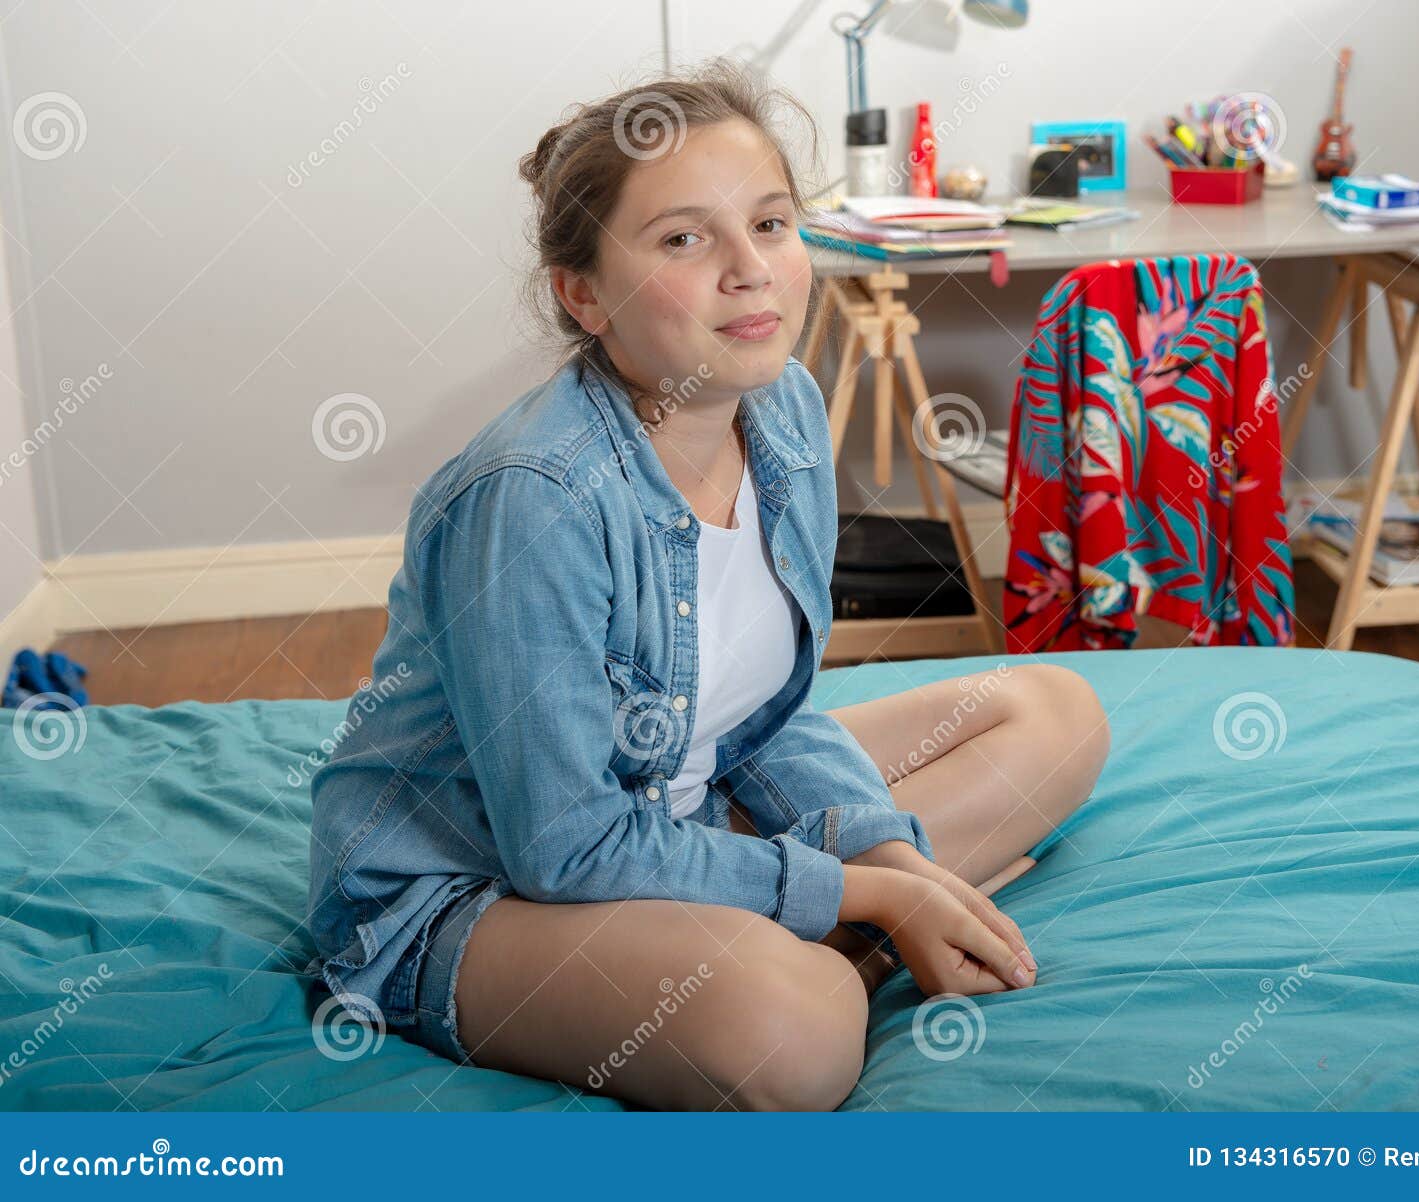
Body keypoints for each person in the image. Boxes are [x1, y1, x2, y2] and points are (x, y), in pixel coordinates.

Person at [305, 58, 1111, 1111]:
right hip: (483, 884)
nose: (751, 270)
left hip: (685, 800)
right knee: (799, 1035)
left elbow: (763, 719)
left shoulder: (782, 410)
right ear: (582, 293)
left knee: (1054, 709)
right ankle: (834, 945)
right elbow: (565, 846)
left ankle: (835, 927)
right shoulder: (534, 497)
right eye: (685, 238)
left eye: (771, 223)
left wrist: (882, 850)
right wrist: (863, 886)